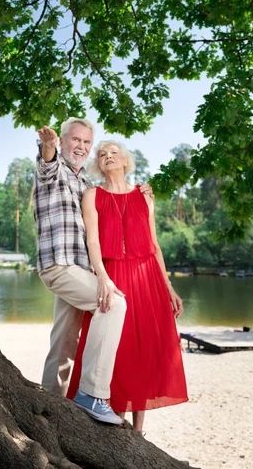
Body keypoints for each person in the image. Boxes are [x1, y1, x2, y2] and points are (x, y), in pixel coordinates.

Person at [67, 140, 188, 433]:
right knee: (115, 349)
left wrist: (168, 286)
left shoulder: (144, 196)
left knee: (144, 351)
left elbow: (155, 245)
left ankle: (138, 430)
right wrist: (102, 277)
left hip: (148, 279)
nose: (108, 157)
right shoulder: (92, 195)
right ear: (98, 164)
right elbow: (91, 241)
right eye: (102, 154)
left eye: (114, 153)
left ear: (125, 161)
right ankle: (114, 420)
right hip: (113, 278)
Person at [34, 118, 128, 425]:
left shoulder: (87, 185)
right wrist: (47, 145)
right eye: (75, 140)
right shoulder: (54, 169)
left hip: (80, 269)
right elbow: (46, 160)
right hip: (59, 265)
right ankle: (91, 393)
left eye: (87, 143)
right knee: (114, 304)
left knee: (64, 344)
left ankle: (48, 411)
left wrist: (141, 191)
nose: (82, 147)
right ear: (63, 142)